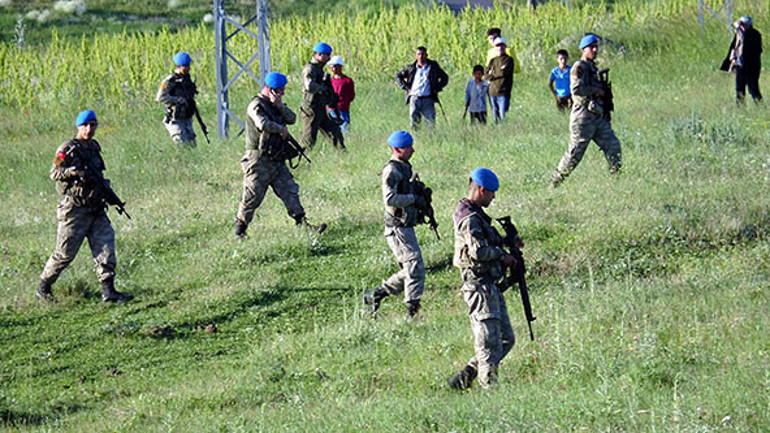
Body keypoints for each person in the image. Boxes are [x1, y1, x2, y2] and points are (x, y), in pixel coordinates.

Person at [36, 110, 134, 303]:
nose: (89, 129)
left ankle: (109, 290)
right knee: (64, 253)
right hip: (75, 210)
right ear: (78, 127)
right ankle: (43, 288)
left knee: (106, 246)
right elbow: (54, 172)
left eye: (92, 125)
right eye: (85, 126)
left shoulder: (94, 148)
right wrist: (74, 172)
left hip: (96, 207)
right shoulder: (68, 148)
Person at [234, 72, 327, 238]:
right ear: (270, 89)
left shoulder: (274, 105)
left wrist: (279, 106)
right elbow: (262, 124)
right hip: (258, 160)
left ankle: (303, 225)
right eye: (280, 90)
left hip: (276, 159)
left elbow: (292, 119)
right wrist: (280, 129)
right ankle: (240, 230)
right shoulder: (256, 105)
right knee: (252, 195)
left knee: (290, 191)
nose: (282, 93)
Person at [448, 168, 516, 390]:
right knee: (488, 345)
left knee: (506, 339)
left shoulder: (477, 214)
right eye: (491, 193)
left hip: (489, 286)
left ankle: (467, 375)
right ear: (482, 190)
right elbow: (478, 252)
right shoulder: (469, 219)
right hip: (479, 287)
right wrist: (501, 256)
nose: (493, 197)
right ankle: (490, 391)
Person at [363, 131, 427, 320]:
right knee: (414, 266)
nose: (412, 150)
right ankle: (412, 312)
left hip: (405, 225)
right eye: (408, 147)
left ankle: (376, 294)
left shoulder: (405, 167)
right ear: (396, 149)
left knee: (411, 268)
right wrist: (413, 199)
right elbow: (390, 199)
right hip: (397, 228)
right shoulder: (391, 170)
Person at [550, 35, 622, 188]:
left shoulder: (591, 67)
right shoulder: (579, 67)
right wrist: (596, 90)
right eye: (591, 47)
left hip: (597, 116)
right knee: (575, 154)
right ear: (583, 49)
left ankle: (617, 180)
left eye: (596, 47)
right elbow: (576, 89)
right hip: (583, 117)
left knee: (613, 146)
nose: (595, 50)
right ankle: (555, 183)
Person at [301, 42, 345, 149]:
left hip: (320, 107)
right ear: (319, 55)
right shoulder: (310, 69)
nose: (329, 58)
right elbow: (309, 86)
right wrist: (323, 88)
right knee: (309, 140)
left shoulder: (319, 68)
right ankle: (302, 161)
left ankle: (343, 154)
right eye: (327, 55)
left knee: (335, 133)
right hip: (310, 109)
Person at [396, 46, 449, 130]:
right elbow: (398, 76)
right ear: (415, 56)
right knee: (414, 122)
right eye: (419, 54)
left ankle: (430, 139)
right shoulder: (411, 68)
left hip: (428, 98)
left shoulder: (433, 66)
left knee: (430, 123)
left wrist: (436, 88)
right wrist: (406, 87)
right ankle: (416, 139)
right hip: (414, 98)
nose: (421, 56)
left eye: (423, 54)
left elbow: (444, 77)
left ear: (426, 55)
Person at [155, 52, 199, 147]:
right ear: (178, 66)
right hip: (175, 119)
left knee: (192, 145)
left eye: (188, 65)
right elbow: (160, 97)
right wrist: (178, 100)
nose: (188, 68)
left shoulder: (187, 80)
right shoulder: (170, 81)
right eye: (185, 66)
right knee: (181, 145)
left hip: (187, 118)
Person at [721, 16, 763, 103]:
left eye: (743, 25)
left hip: (751, 67)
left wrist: (738, 29)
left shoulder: (754, 34)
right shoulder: (739, 35)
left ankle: (760, 106)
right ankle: (740, 108)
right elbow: (734, 47)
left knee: (753, 88)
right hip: (740, 66)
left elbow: (748, 46)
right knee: (739, 89)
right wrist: (733, 59)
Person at [485, 37, 514, 123]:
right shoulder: (492, 61)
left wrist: (492, 73)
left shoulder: (509, 60)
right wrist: (496, 72)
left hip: (503, 92)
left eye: (501, 45)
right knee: (495, 117)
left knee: (503, 116)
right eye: (497, 46)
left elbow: (503, 73)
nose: (500, 48)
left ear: (505, 47)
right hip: (492, 92)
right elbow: (486, 75)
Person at [327, 55, 356, 134]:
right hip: (332, 109)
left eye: (335, 67)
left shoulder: (347, 81)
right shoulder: (329, 81)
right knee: (332, 130)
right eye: (331, 67)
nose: (333, 69)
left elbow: (351, 95)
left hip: (343, 109)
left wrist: (344, 102)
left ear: (340, 67)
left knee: (345, 128)